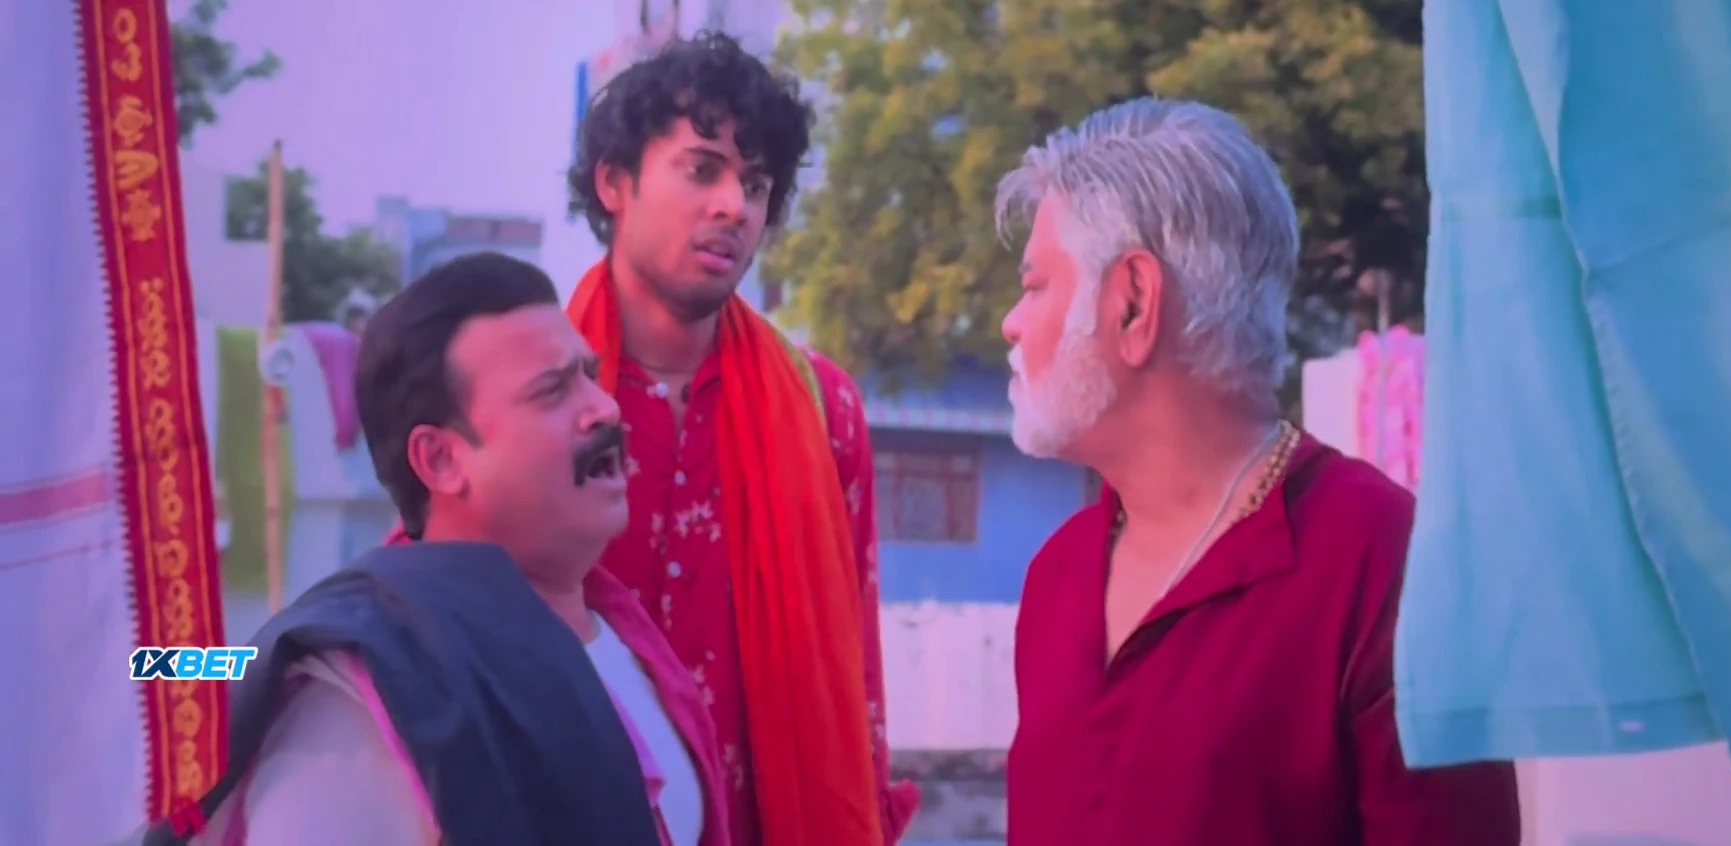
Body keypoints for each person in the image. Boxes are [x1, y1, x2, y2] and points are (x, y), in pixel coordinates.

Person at [993, 98, 1521, 845]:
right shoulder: (1059, 575)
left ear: (1133, 302)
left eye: (1036, 284)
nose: (1012, 322)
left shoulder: (1386, 565)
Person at [144, 253, 730, 846]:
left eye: (589, 375)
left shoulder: (629, 639)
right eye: (553, 391)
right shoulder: (372, 698)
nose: (604, 408)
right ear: (441, 460)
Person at [563, 31, 916, 846]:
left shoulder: (822, 409)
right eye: (702, 169)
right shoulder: (535, 399)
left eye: (755, 185)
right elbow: (438, 617)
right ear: (615, 182)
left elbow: (855, 676)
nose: (734, 206)